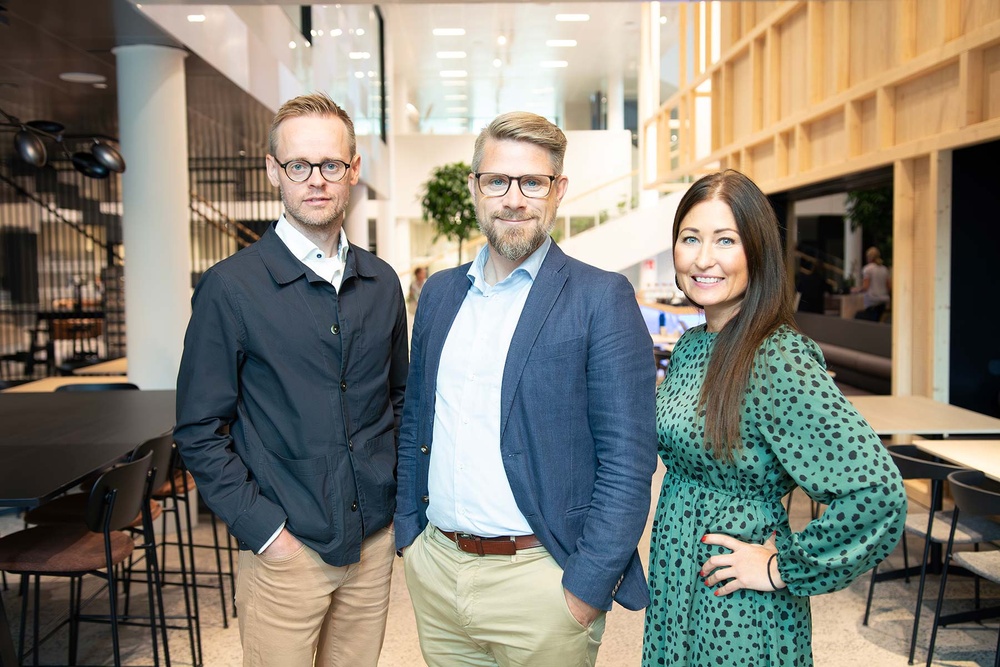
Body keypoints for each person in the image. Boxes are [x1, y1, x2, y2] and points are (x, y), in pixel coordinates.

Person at [394, 111, 657, 667]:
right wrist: (409, 538)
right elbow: (416, 419)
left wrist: (584, 589)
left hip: (542, 582)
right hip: (438, 572)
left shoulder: (600, 298)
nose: (514, 198)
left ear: (558, 190)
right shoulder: (439, 295)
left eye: (532, 182)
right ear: (475, 188)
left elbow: (628, 462)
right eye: (498, 181)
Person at [174, 93, 408, 667]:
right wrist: (265, 532)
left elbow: (399, 400)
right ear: (274, 171)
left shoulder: (381, 282)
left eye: (331, 165)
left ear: (353, 170)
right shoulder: (230, 288)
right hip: (286, 548)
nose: (316, 181)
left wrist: (395, 501)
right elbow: (199, 428)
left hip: (371, 542)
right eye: (298, 166)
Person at [642, 170, 906, 666]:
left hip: (737, 604)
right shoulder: (693, 346)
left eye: (726, 240)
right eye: (690, 238)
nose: (703, 259)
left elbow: (878, 494)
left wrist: (782, 569)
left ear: (757, 252)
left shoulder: (776, 357)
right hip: (678, 580)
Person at [854, 245, 891, 321]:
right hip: (883, 301)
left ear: (868, 257)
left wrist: (855, 290)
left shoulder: (867, 269)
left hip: (872, 301)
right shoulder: (884, 269)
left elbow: (865, 287)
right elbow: (889, 286)